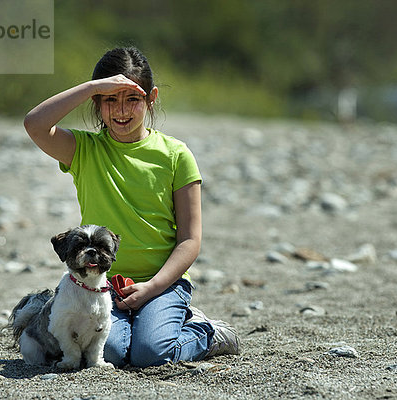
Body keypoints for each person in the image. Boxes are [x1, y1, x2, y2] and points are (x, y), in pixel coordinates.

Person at [23, 47, 240, 368]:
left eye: (132, 99)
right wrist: (92, 86)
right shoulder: (83, 150)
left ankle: (207, 332)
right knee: (107, 353)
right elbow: (35, 124)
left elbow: (190, 240)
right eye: (110, 100)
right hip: (100, 284)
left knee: (150, 354)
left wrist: (153, 286)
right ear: (97, 104)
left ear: (151, 98)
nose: (121, 110)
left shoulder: (176, 154)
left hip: (164, 283)